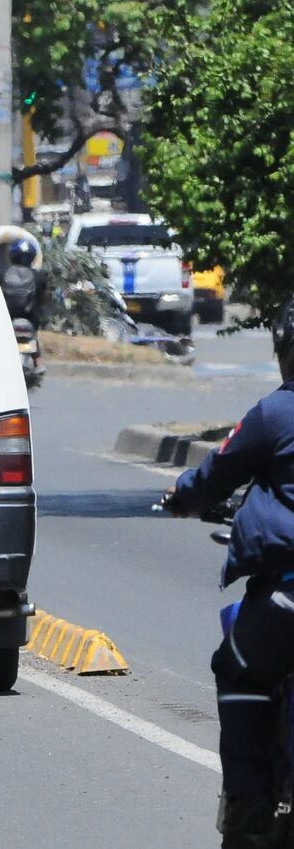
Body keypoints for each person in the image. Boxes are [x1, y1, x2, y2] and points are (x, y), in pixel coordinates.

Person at [164, 298, 294, 848]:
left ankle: (247, 805)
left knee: (237, 667)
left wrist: (181, 499)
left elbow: (215, 472)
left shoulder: (276, 413)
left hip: (286, 600)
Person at [0, 238, 44, 327]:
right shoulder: (38, 276)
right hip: (29, 319)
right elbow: (41, 300)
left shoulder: (1, 273)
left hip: (5, 318)